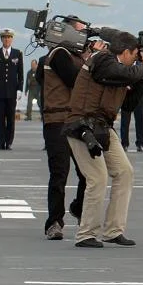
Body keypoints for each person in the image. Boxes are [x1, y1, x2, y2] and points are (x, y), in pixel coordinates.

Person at [64, 29, 143, 248]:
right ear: (126, 52)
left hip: (103, 128)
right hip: (82, 127)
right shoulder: (103, 60)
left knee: (124, 172)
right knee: (98, 177)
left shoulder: (120, 71)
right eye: (135, 55)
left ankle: (113, 230)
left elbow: (129, 105)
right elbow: (124, 74)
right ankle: (86, 233)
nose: (136, 59)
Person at [40, 16, 94, 240]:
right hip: (58, 121)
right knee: (60, 173)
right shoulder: (59, 54)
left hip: (75, 121)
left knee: (86, 172)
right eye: (81, 32)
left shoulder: (73, 56)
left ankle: (79, 208)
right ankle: (54, 221)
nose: (84, 37)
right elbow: (76, 80)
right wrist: (90, 59)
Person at [0, 28, 24, 150]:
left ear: (12, 39)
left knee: (10, 118)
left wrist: (20, 89)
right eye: (5, 38)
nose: (7, 40)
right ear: (1, 39)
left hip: (12, 91)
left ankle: (9, 142)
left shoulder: (17, 53)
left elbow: (20, 73)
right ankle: (1, 142)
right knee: (0, 118)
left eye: (9, 37)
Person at [119, 41, 143, 150]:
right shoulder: (124, 63)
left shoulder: (142, 64)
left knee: (141, 119)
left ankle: (140, 143)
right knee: (125, 121)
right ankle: (124, 143)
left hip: (139, 96)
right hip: (126, 93)